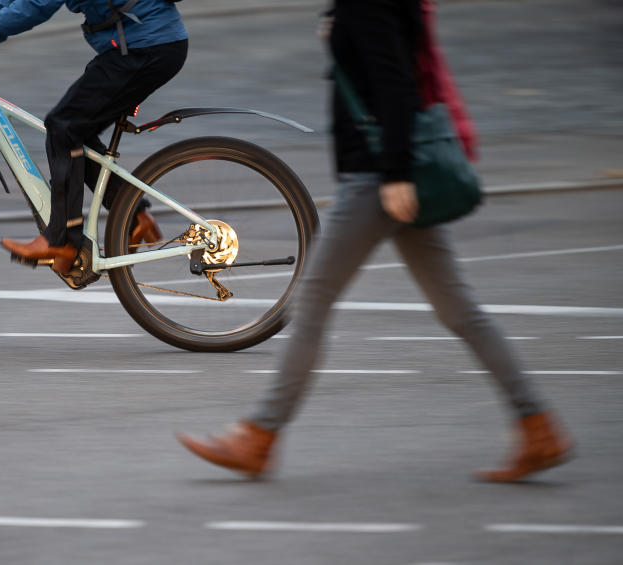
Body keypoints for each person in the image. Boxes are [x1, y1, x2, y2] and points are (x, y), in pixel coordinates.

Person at [176, 0, 574, 483]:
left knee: (313, 300)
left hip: (378, 178)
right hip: (385, 172)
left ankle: (258, 436)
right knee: (459, 310)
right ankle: (539, 427)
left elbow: (395, 80)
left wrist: (398, 173)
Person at [0, 0, 188, 274]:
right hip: (143, 45)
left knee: (64, 127)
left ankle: (60, 241)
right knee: (75, 130)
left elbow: (37, 4)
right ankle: (133, 216)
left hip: (144, 47)